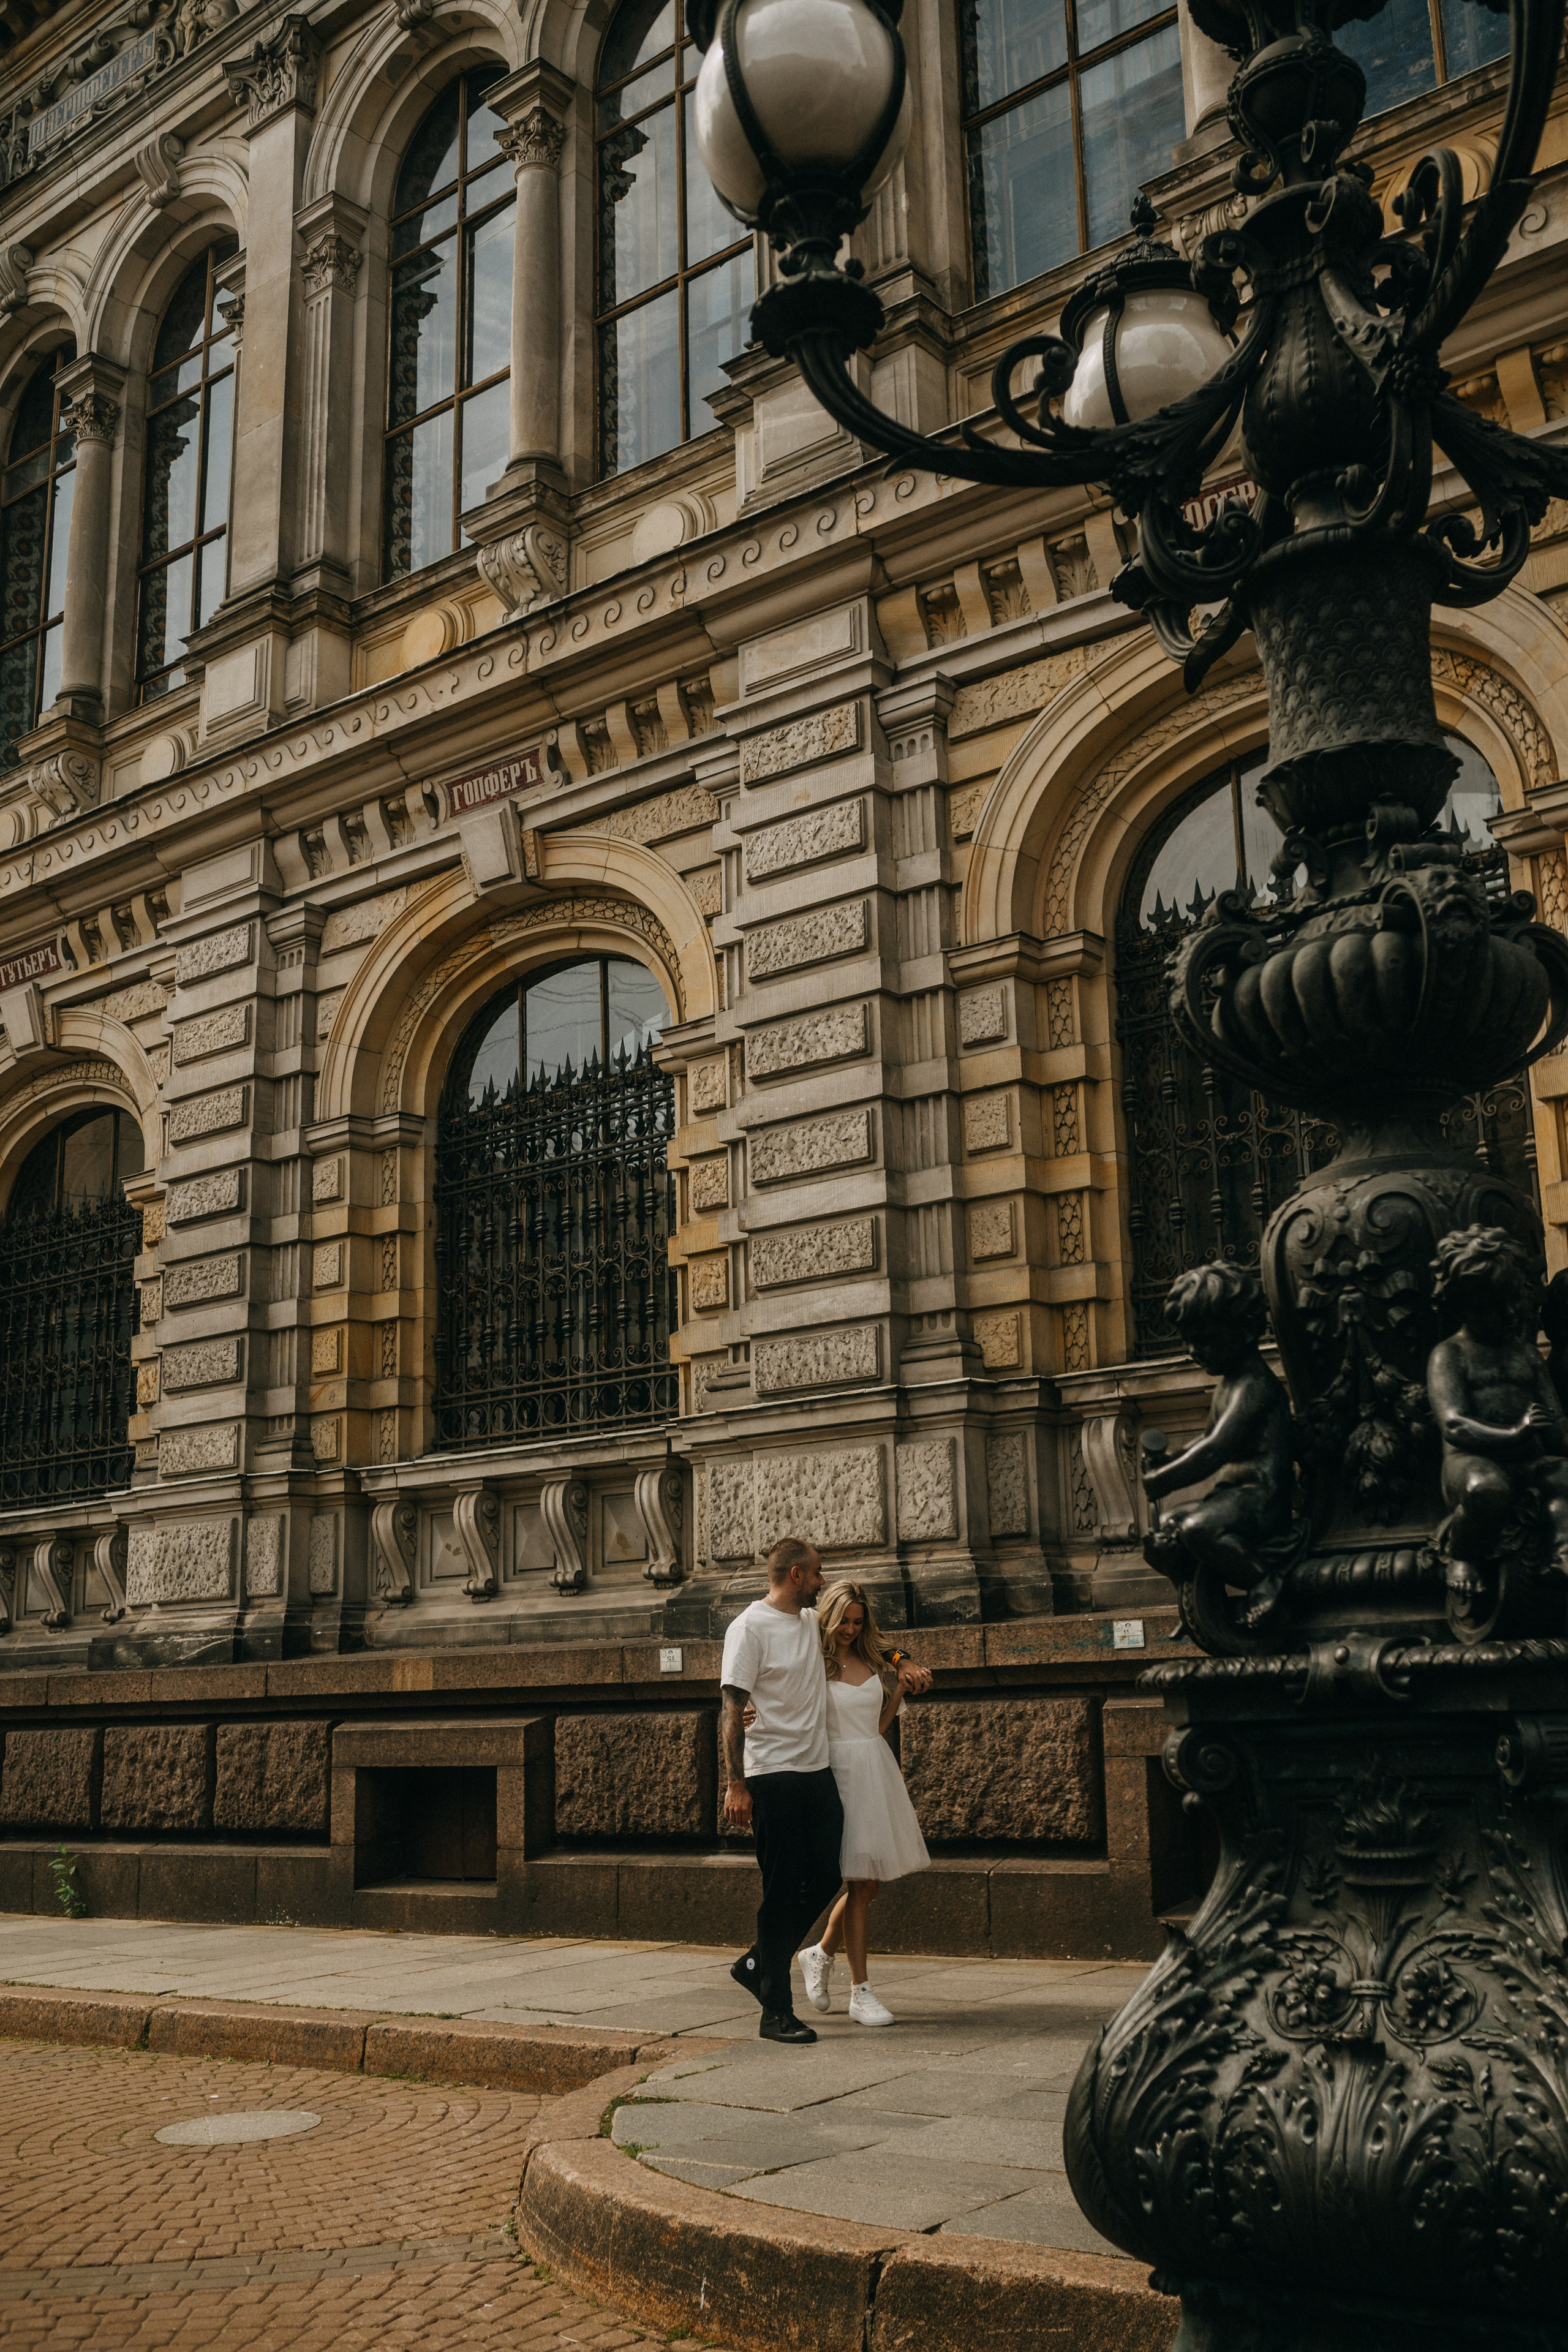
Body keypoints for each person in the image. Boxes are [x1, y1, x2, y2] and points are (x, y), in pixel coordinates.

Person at [721, 1537, 930, 2045]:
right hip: (772, 1774)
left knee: (826, 1876)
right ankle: (776, 2011)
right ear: (796, 1575)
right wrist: (736, 1783)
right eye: (817, 1573)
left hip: (817, 1771)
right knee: (781, 1889)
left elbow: (874, 1642)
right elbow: (731, 1708)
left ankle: (757, 1961)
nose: (822, 1580)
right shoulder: (748, 1627)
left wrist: (902, 1662)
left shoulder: (810, 1623)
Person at [797, 1581, 930, 2028]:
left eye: (858, 1622)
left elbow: (878, 1725)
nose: (850, 1629)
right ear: (829, 1618)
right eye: (844, 1621)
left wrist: (899, 1690)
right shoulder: (813, 1662)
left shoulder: (873, 1660)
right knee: (858, 1885)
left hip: (875, 1765)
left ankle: (819, 1953)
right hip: (837, 1773)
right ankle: (861, 1991)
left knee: (868, 1886)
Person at [1428, 1224, 1568, 1599]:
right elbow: (1454, 1425)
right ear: (1461, 1305)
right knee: (1486, 1489)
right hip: (1470, 1463)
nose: (1509, 1314)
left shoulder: (1527, 1355)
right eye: (1492, 1307)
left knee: (1564, 1476)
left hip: (1527, 1459)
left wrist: (1557, 1437)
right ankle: (1462, 1554)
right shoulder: (1450, 1354)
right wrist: (1513, 1434)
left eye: (1514, 1299)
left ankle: (1562, 1553)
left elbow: (1556, 1426)